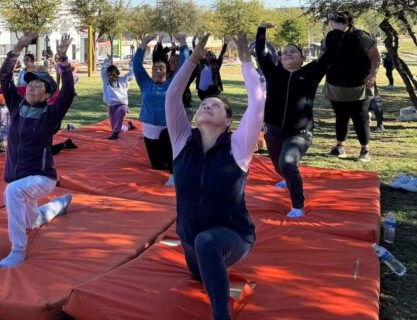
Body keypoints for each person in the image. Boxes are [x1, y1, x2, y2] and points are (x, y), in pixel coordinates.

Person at [165, 32, 265, 320]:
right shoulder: (182, 141)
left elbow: (257, 104)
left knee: (207, 242)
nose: (206, 105)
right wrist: (193, 59)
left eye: (215, 105)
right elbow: (173, 95)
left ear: (229, 121)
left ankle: (222, 315)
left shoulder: (238, 146)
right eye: (203, 104)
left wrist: (245, 57)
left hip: (233, 238)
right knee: (201, 261)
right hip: (191, 242)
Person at [0, 32, 75, 269]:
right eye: (30, 83)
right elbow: (4, 76)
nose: (31, 88)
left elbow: (69, 93)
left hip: (42, 177)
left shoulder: (50, 114)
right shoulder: (17, 105)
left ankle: (18, 250)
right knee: (33, 221)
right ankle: (61, 203)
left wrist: (63, 60)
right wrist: (18, 48)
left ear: (47, 93)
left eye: (38, 85)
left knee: (12, 192)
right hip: (20, 177)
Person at [255, 23, 343, 217]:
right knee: (279, 166)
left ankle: (298, 206)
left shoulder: (311, 73)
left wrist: (337, 31)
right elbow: (261, 54)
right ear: (280, 58)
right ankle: (286, 177)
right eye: (285, 52)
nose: (288, 54)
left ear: (302, 58)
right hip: (272, 129)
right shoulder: (273, 72)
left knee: (287, 162)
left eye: (293, 52)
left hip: (300, 133)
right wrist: (261, 30)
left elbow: (329, 55)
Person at [323, 11, 380, 161]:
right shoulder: (330, 36)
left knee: (360, 117)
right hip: (335, 85)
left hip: (359, 86)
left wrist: (372, 75)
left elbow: (375, 57)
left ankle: (365, 150)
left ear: (348, 22)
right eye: (333, 20)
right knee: (341, 117)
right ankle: (340, 147)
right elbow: (322, 58)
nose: (335, 23)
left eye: (339, 20)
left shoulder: (361, 36)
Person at [133, 34, 175, 178]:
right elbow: (136, 65)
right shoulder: (145, 83)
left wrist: (183, 44)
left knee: (171, 164)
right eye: (154, 68)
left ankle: (175, 176)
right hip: (149, 130)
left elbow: (186, 66)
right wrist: (143, 43)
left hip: (167, 130)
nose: (157, 70)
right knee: (157, 167)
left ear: (167, 71)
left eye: (161, 68)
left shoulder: (172, 84)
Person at [101, 55, 134, 140]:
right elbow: (103, 69)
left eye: (112, 75)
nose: (110, 77)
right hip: (111, 106)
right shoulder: (106, 81)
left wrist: (131, 63)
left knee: (121, 112)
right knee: (115, 126)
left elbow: (131, 73)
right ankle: (128, 126)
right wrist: (108, 61)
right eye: (108, 75)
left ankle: (115, 134)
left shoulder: (123, 80)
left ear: (117, 74)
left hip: (122, 105)